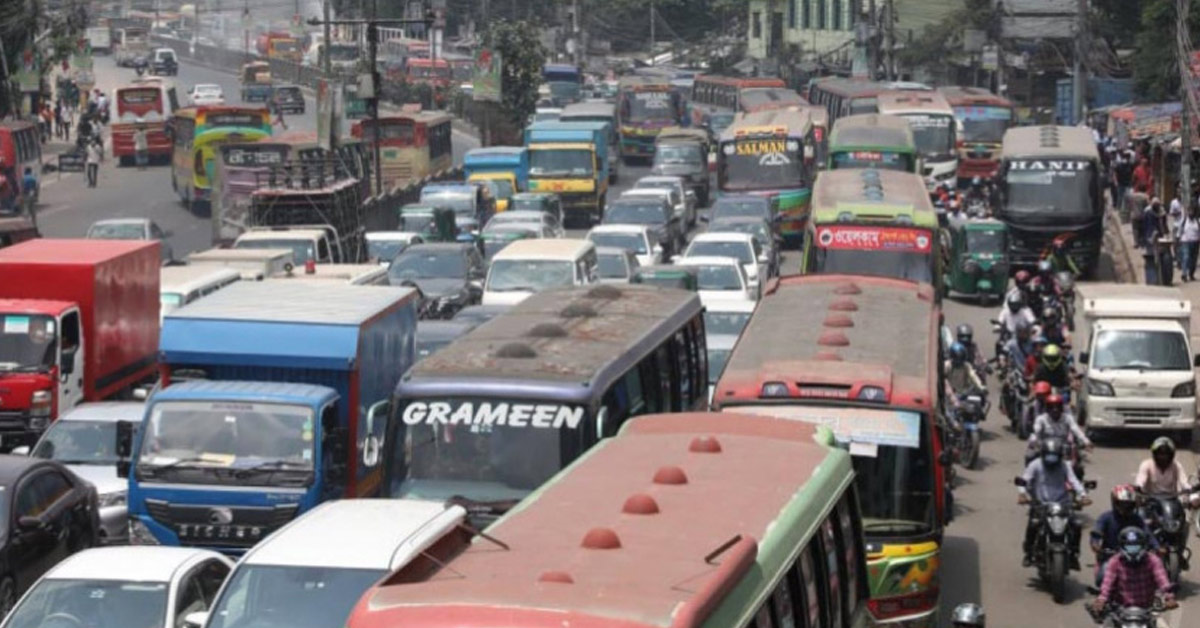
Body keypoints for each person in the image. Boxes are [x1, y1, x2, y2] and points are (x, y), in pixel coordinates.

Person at [1019, 437, 1088, 569]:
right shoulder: (1035, 465)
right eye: (1049, 456)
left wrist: (1082, 495)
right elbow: (1025, 480)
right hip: (1040, 504)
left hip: (1062, 504)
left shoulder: (1064, 466)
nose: (1052, 460)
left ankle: (1074, 554)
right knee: (1033, 525)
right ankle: (1028, 553)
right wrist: (1023, 494)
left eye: (1055, 457)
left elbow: (1074, 481)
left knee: (1076, 525)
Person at [1091, 527, 1176, 616]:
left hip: (1147, 610)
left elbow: (1162, 580)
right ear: (1122, 546)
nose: (1133, 550)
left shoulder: (1153, 560)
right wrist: (1101, 600)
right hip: (1120, 611)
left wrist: (1169, 597)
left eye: (1136, 546)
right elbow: (1107, 585)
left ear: (1143, 545)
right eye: (1129, 547)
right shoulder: (1115, 562)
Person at [1091, 485, 1158, 587]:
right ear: (1115, 503)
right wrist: (1095, 544)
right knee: (1102, 579)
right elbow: (1096, 533)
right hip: (1110, 555)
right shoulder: (1105, 517)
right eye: (1122, 504)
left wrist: (1157, 547)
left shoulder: (1137, 519)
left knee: (1154, 575)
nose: (1125, 508)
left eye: (1128, 505)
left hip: (1135, 555)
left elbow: (1148, 533)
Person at [1179, 203, 1200, 282]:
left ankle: (1191, 274)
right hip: (1186, 241)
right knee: (1186, 257)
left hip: (1195, 242)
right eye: (1189, 211)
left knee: (1193, 259)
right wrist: (1178, 239)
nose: (1191, 213)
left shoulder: (1197, 221)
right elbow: (1180, 230)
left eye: (1192, 211)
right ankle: (1184, 274)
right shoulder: (1184, 220)